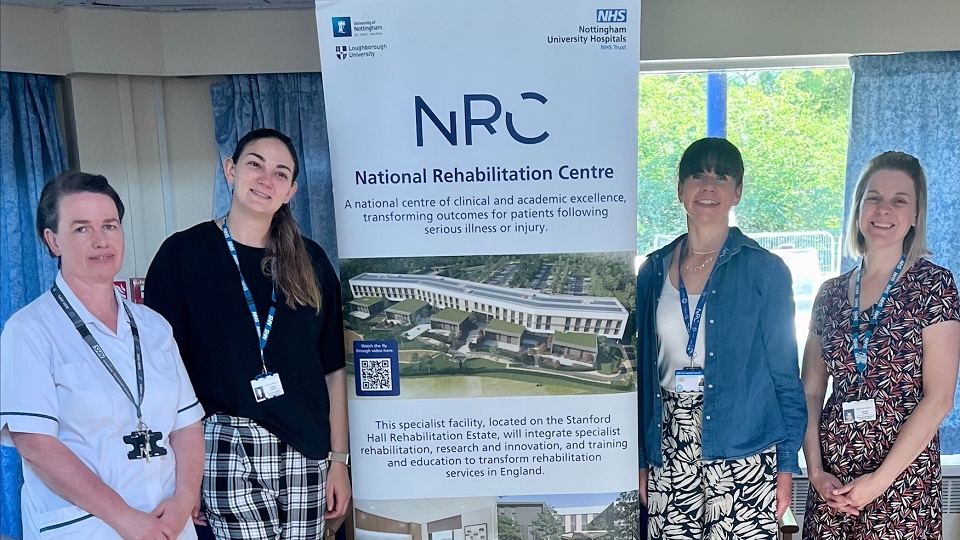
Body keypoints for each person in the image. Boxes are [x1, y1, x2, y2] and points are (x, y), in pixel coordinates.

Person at [145, 128, 351, 539]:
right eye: (255, 164)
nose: (265, 179)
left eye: (280, 173)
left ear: (291, 190)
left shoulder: (310, 260)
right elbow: (163, 375)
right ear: (230, 170)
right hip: (225, 443)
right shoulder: (182, 255)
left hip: (306, 449)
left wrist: (339, 461)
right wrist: (185, 477)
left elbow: (332, 370)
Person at [0, 171, 205, 539]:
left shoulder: (154, 326)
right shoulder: (29, 329)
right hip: (87, 527)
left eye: (109, 226)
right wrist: (124, 517)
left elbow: (187, 424)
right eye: (81, 228)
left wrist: (183, 501)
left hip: (167, 524)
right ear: (53, 240)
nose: (100, 241)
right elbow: (35, 443)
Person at [636, 138, 806, 538]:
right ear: (681, 190)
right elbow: (642, 376)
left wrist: (786, 465)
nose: (708, 186)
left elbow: (785, 374)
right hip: (669, 445)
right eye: (697, 175)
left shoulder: (766, 271)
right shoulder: (652, 271)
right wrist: (643, 457)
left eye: (721, 176)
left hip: (745, 447)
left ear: (737, 192)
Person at [801, 151, 960, 539]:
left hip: (901, 482)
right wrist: (816, 472)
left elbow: (940, 398)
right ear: (858, 208)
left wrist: (877, 482)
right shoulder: (831, 294)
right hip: (833, 483)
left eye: (899, 200)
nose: (883, 209)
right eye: (873, 197)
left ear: (916, 216)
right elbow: (809, 391)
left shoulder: (933, 286)